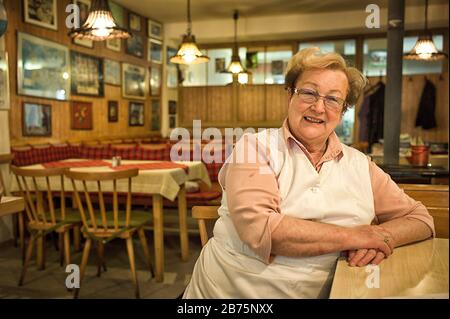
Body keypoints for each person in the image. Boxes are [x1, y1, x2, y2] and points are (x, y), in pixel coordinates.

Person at [183, 47, 435, 299]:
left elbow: (420, 219)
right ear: (290, 96)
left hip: (338, 291)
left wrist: (384, 239)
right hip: (237, 292)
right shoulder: (253, 148)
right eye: (309, 92)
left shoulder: (360, 164)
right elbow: (262, 230)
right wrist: (358, 236)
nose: (318, 107)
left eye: (333, 99)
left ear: (343, 110)